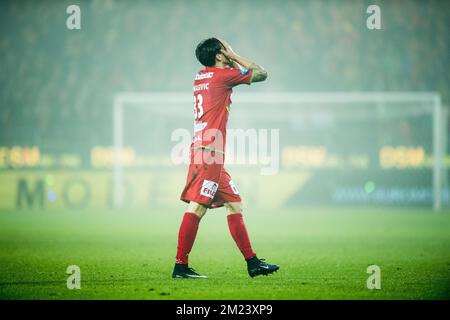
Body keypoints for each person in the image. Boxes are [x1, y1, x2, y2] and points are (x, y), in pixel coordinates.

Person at [172, 38, 279, 278]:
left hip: (207, 150)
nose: (229, 51)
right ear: (220, 54)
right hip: (209, 152)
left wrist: (226, 57)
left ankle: (253, 263)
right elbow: (261, 73)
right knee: (198, 207)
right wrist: (235, 55)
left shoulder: (201, 76)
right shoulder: (222, 77)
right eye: (226, 47)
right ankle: (180, 266)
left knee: (234, 202)